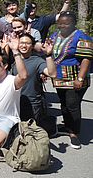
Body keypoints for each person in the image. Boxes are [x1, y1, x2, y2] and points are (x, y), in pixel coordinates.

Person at [50, 11, 92, 149]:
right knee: (63, 103)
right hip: (60, 78)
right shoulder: (55, 35)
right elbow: (49, 52)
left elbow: (86, 59)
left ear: (73, 23)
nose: (62, 26)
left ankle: (74, 132)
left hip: (75, 77)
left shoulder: (81, 37)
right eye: (60, 23)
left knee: (72, 104)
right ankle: (67, 126)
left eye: (66, 23)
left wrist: (80, 78)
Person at [11, 33, 57, 136]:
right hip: (16, 102)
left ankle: (49, 126)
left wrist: (49, 55)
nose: (24, 45)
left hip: (32, 104)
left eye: (27, 43)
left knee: (30, 134)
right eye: (21, 43)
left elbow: (52, 73)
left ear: (32, 46)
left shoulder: (37, 61)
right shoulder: (14, 60)